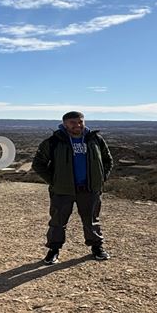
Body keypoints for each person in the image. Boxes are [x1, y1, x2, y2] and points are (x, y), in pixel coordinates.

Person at [32, 111, 114, 264]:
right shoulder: (55, 141)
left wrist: (101, 179)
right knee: (58, 221)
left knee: (91, 221)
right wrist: (54, 181)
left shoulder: (95, 139)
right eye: (73, 122)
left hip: (89, 189)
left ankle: (97, 248)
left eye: (80, 122)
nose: (77, 125)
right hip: (62, 190)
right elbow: (38, 164)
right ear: (64, 124)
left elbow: (107, 160)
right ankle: (53, 250)